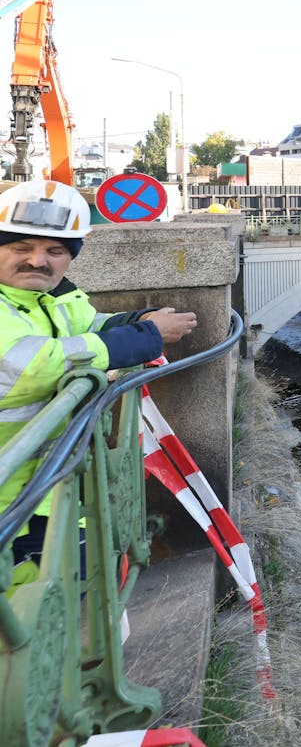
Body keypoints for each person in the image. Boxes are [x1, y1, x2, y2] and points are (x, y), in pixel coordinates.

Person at [0, 180, 198, 585]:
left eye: (55, 251)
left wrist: (137, 320)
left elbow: (86, 327)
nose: (38, 260)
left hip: (45, 487)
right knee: (32, 614)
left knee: (70, 588)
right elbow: (33, 364)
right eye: (21, 247)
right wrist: (146, 338)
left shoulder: (49, 298)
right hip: (10, 499)